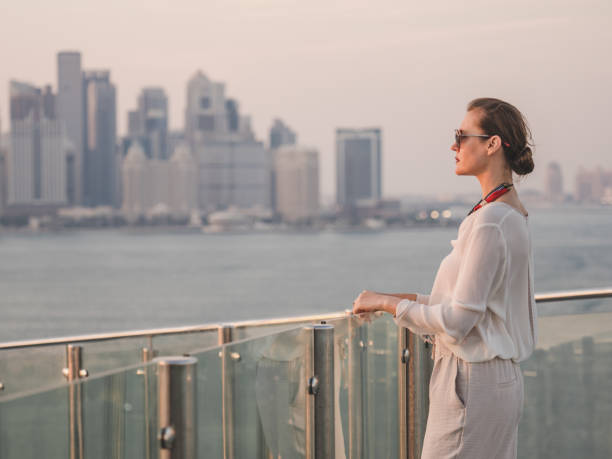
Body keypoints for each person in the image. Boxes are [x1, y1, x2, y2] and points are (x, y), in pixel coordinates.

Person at [352, 97, 537, 459]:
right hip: (491, 381)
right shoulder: (509, 214)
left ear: (492, 144)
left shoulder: (490, 222)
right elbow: (465, 304)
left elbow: (457, 321)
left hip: (471, 382)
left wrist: (390, 304)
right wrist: (384, 298)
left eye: (461, 135)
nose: (454, 146)